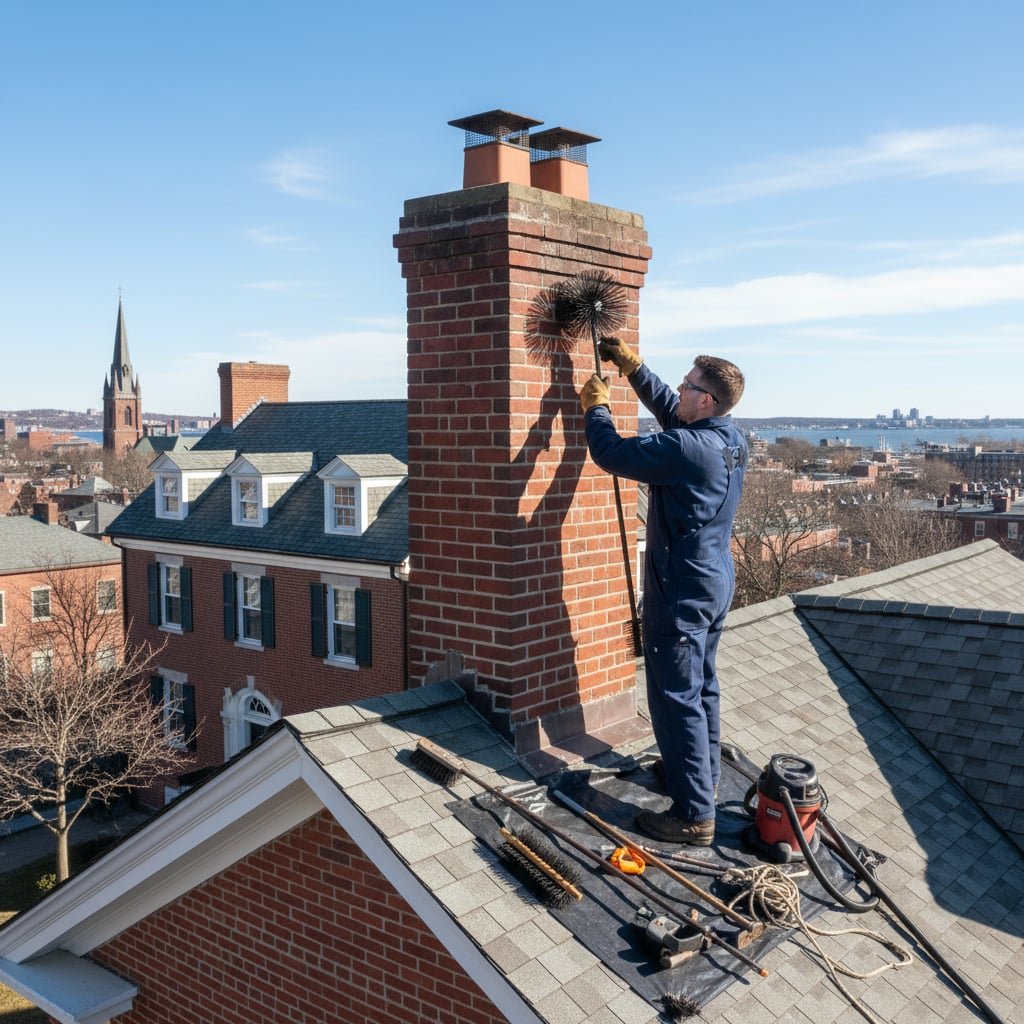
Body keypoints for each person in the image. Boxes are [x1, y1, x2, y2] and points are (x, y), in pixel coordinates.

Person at [580, 339, 747, 845]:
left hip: (681, 591)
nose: (679, 387)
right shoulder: (727, 439)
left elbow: (611, 453)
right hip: (712, 581)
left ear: (707, 401)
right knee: (702, 689)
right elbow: (674, 419)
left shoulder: (686, 449)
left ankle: (695, 815)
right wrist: (635, 370)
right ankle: (699, 778)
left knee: (676, 697)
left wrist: (597, 408)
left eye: (688, 385)